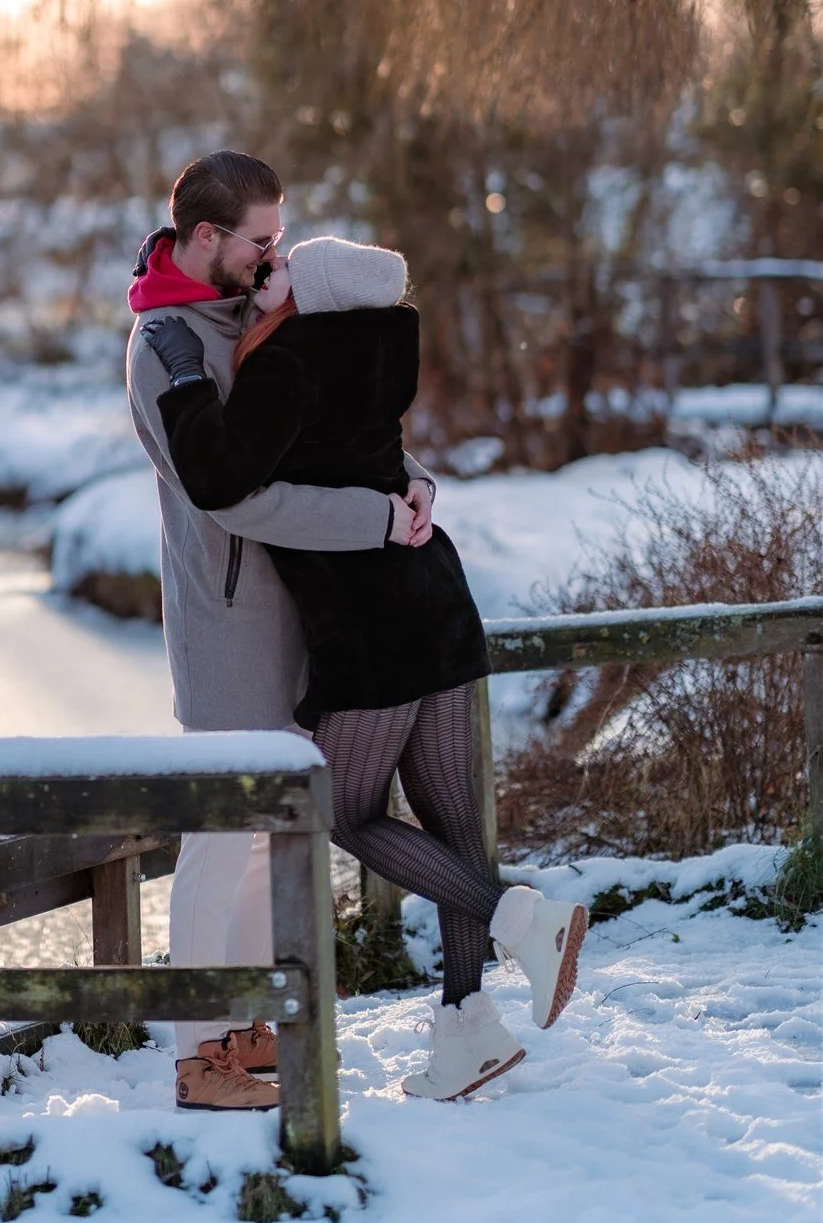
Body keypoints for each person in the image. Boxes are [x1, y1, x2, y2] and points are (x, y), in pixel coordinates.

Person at [141, 233, 588, 1102]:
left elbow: (223, 480)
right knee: (449, 826)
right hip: (440, 607)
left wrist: (191, 379)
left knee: (342, 813)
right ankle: (467, 1033)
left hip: (372, 630)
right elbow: (367, 454)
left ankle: (520, 918)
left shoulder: (291, 362)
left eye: (281, 268)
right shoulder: (380, 349)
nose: (265, 274)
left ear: (307, 296)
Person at [126, 151, 438, 1112]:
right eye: (260, 239)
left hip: (312, 619)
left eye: (279, 236)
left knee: (270, 841)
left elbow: (327, 414)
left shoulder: (260, 309)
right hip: (231, 632)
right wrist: (373, 522)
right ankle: (199, 1055)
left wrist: (406, 478)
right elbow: (239, 499)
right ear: (205, 235)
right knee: (219, 843)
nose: (276, 254)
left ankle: (251, 1036)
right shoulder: (164, 345)